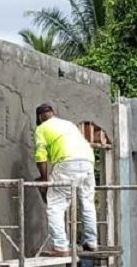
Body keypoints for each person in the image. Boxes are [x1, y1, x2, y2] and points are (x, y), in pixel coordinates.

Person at [33, 104, 98, 256]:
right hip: (88, 161)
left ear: (40, 117)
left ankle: (61, 246)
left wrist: (44, 179)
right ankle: (91, 242)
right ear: (52, 113)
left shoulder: (42, 128)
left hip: (67, 162)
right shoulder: (68, 124)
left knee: (55, 205)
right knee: (87, 201)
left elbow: (40, 155)